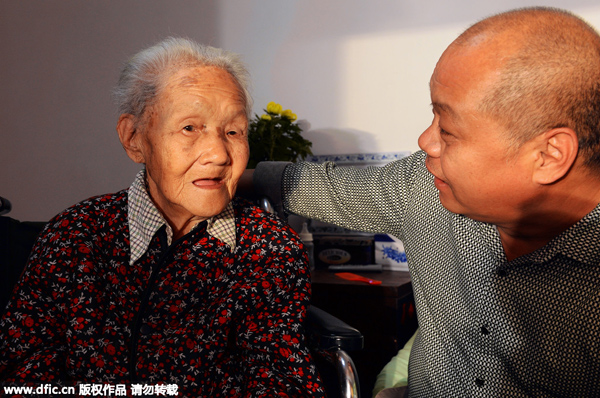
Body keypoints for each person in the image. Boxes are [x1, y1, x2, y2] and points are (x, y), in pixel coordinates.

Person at [249, 7, 600, 397]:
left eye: (447, 129)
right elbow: (317, 186)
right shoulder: (424, 187)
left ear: (549, 155)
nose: (425, 142)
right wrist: (221, 175)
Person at [0, 37, 325, 397]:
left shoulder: (268, 249)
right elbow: (23, 368)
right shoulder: (75, 234)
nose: (218, 154)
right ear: (134, 138)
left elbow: (282, 381)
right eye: (190, 128)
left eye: (233, 131)